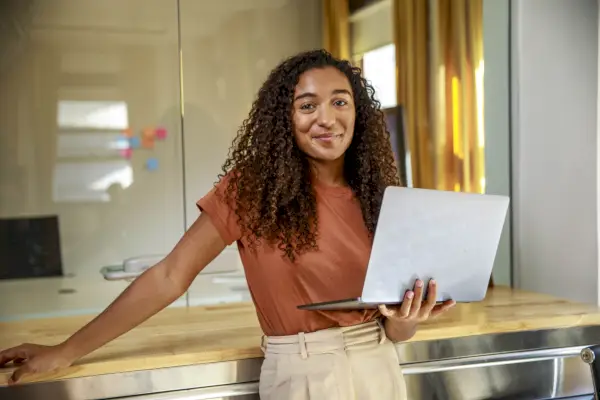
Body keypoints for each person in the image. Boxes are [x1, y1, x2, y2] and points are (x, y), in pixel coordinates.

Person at [0, 49, 456, 399]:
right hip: (303, 375)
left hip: (381, 368)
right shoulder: (252, 188)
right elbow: (168, 276)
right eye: (307, 105)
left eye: (340, 102)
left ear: (357, 113)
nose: (327, 118)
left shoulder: (380, 196)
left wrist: (407, 320)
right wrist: (65, 350)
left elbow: (392, 328)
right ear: (285, 118)